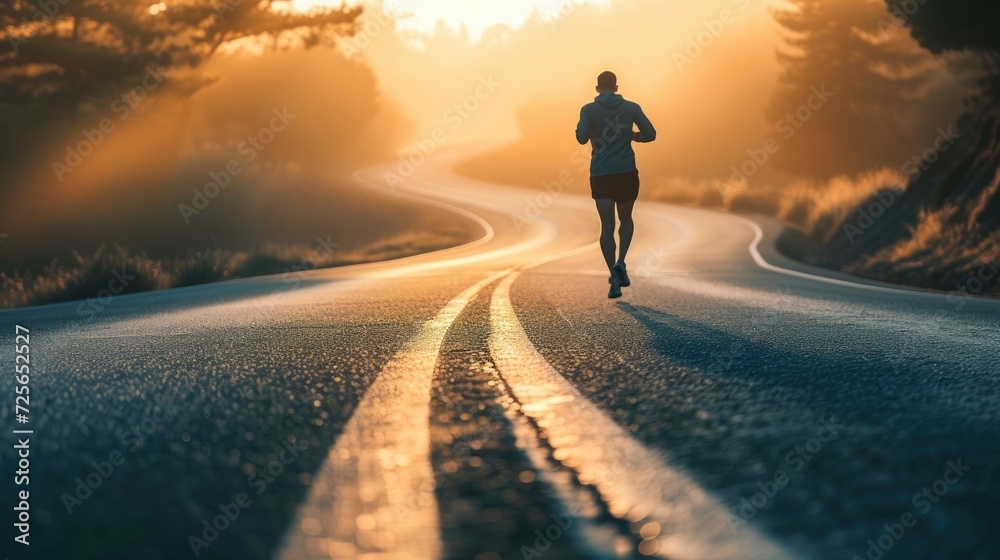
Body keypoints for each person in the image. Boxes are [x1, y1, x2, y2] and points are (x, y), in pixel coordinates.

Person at [576, 70, 656, 299]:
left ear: (597, 89)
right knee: (627, 219)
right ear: (617, 87)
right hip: (626, 172)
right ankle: (622, 261)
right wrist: (632, 136)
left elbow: (581, 138)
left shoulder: (588, 110)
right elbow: (651, 134)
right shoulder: (631, 107)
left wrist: (591, 129)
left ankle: (613, 277)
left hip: (601, 173)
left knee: (607, 227)